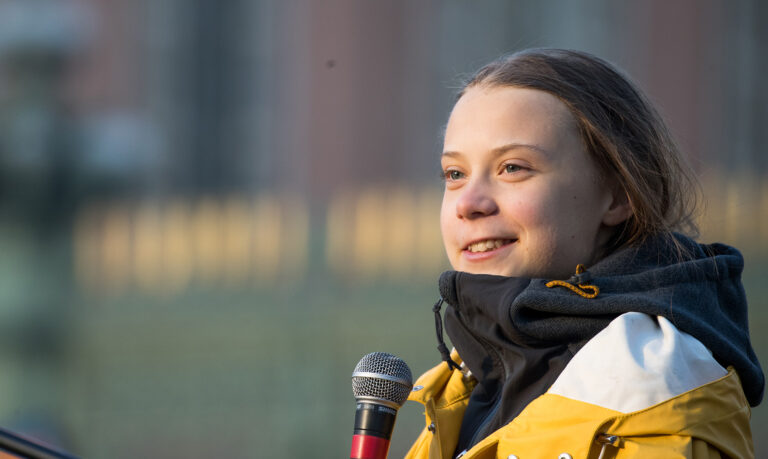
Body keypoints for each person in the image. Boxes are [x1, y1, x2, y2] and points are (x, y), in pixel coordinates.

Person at [405, 49, 764, 459]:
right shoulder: (458, 387)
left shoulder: (654, 396)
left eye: (513, 167)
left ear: (617, 194)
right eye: (455, 174)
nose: (468, 203)